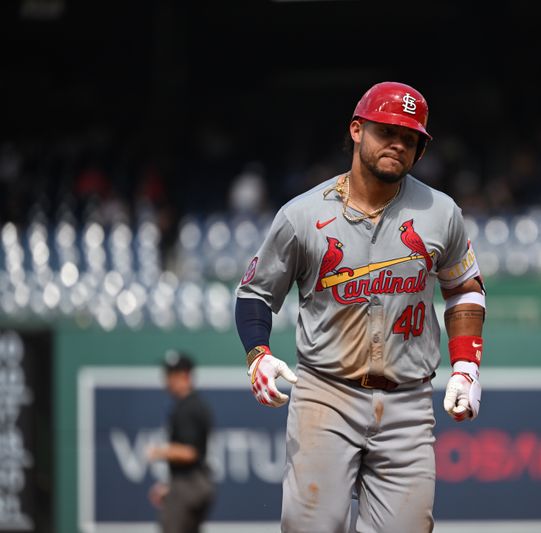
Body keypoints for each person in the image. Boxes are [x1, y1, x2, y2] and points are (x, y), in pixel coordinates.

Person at [234, 81, 486, 532]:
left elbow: (464, 288)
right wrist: (258, 354)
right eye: (386, 131)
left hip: (408, 401)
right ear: (356, 130)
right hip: (326, 394)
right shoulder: (302, 215)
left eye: (410, 138)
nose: (398, 144)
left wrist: (466, 366)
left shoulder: (441, 212)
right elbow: (255, 293)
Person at [147, 350, 215, 533]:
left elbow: (189, 452)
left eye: (171, 374)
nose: (167, 380)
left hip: (189, 485)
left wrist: (160, 451)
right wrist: (170, 487)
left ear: (184, 375)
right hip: (191, 482)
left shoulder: (189, 407)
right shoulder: (190, 405)